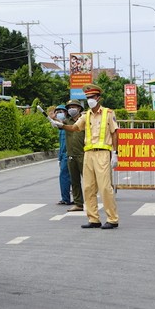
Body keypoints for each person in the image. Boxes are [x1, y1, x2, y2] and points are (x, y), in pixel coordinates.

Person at [50, 84, 120, 229]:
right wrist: (60, 125)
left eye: (92, 97)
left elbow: (115, 133)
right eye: (87, 98)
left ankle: (112, 219)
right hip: (88, 153)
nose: (89, 100)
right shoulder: (85, 115)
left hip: (102, 153)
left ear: (98, 98)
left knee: (105, 187)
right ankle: (94, 219)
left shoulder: (108, 113)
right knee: (88, 187)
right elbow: (75, 128)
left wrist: (115, 153)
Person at [64, 99, 85, 212]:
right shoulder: (67, 122)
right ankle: (78, 203)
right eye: (70, 107)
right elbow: (59, 124)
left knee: (88, 180)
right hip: (71, 155)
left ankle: (91, 202)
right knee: (74, 181)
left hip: (83, 154)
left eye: (74, 106)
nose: (72, 109)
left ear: (79, 108)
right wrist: (53, 120)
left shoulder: (84, 120)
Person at [54, 105, 72, 205]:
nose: (59, 113)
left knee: (65, 176)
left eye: (61, 111)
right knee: (65, 177)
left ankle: (67, 198)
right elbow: (61, 144)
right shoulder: (60, 127)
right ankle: (66, 198)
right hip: (63, 155)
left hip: (69, 154)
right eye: (57, 112)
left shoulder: (69, 124)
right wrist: (59, 158)